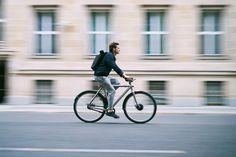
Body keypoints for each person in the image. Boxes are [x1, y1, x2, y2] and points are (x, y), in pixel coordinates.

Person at [94, 42, 132, 118]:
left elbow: (114, 67)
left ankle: (106, 97)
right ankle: (110, 110)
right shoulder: (109, 55)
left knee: (116, 82)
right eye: (118, 48)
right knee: (112, 91)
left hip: (104, 76)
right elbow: (115, 67)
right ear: (113, 49)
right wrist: (124, 75)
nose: (119, 49)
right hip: (101, 76)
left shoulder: (110, 56)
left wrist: (123, 76)